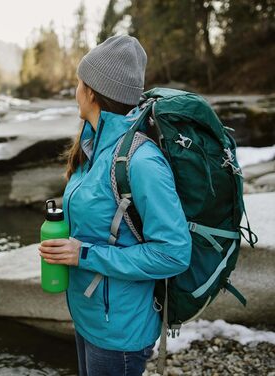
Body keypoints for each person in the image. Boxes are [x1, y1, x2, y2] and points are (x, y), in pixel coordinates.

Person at [38, 35, 192, 376]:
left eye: (78, 83)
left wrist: (84, 255)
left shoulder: (141, 161)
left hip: (120, 329)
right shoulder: (91, 147)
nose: (75, 90)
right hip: (89, 314)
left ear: (91, 91)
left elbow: (174, 253)